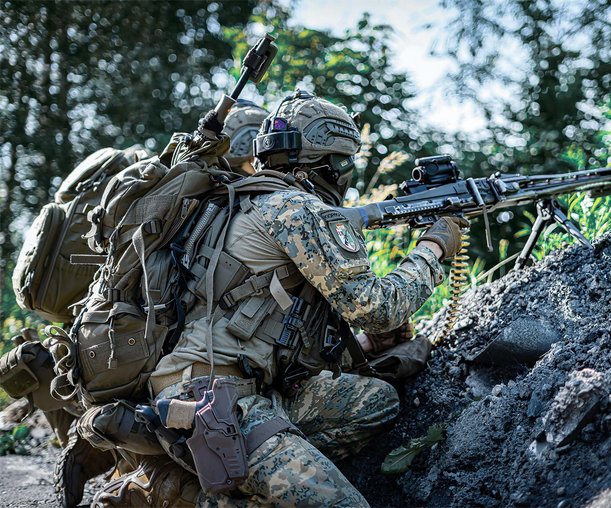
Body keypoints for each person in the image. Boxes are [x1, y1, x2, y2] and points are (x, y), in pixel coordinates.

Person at [91, 89, 468, 507]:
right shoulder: (298, 209)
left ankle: (245, 471)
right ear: (320, 161)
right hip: (215, 403)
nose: (343, 174)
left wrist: (361, 347)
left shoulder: (240, 200)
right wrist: (434, 246)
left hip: (223, 386)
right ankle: (179, 493)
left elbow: (266, 326)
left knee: (375, 401)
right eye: (341, 162)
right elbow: (377, 308)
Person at [0, 99, 270, 508]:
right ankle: (131, 472)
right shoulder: (227, 203)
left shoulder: (168, 187)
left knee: (92, 373)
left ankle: (89, 431)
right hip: (153, 359)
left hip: (102, 344)